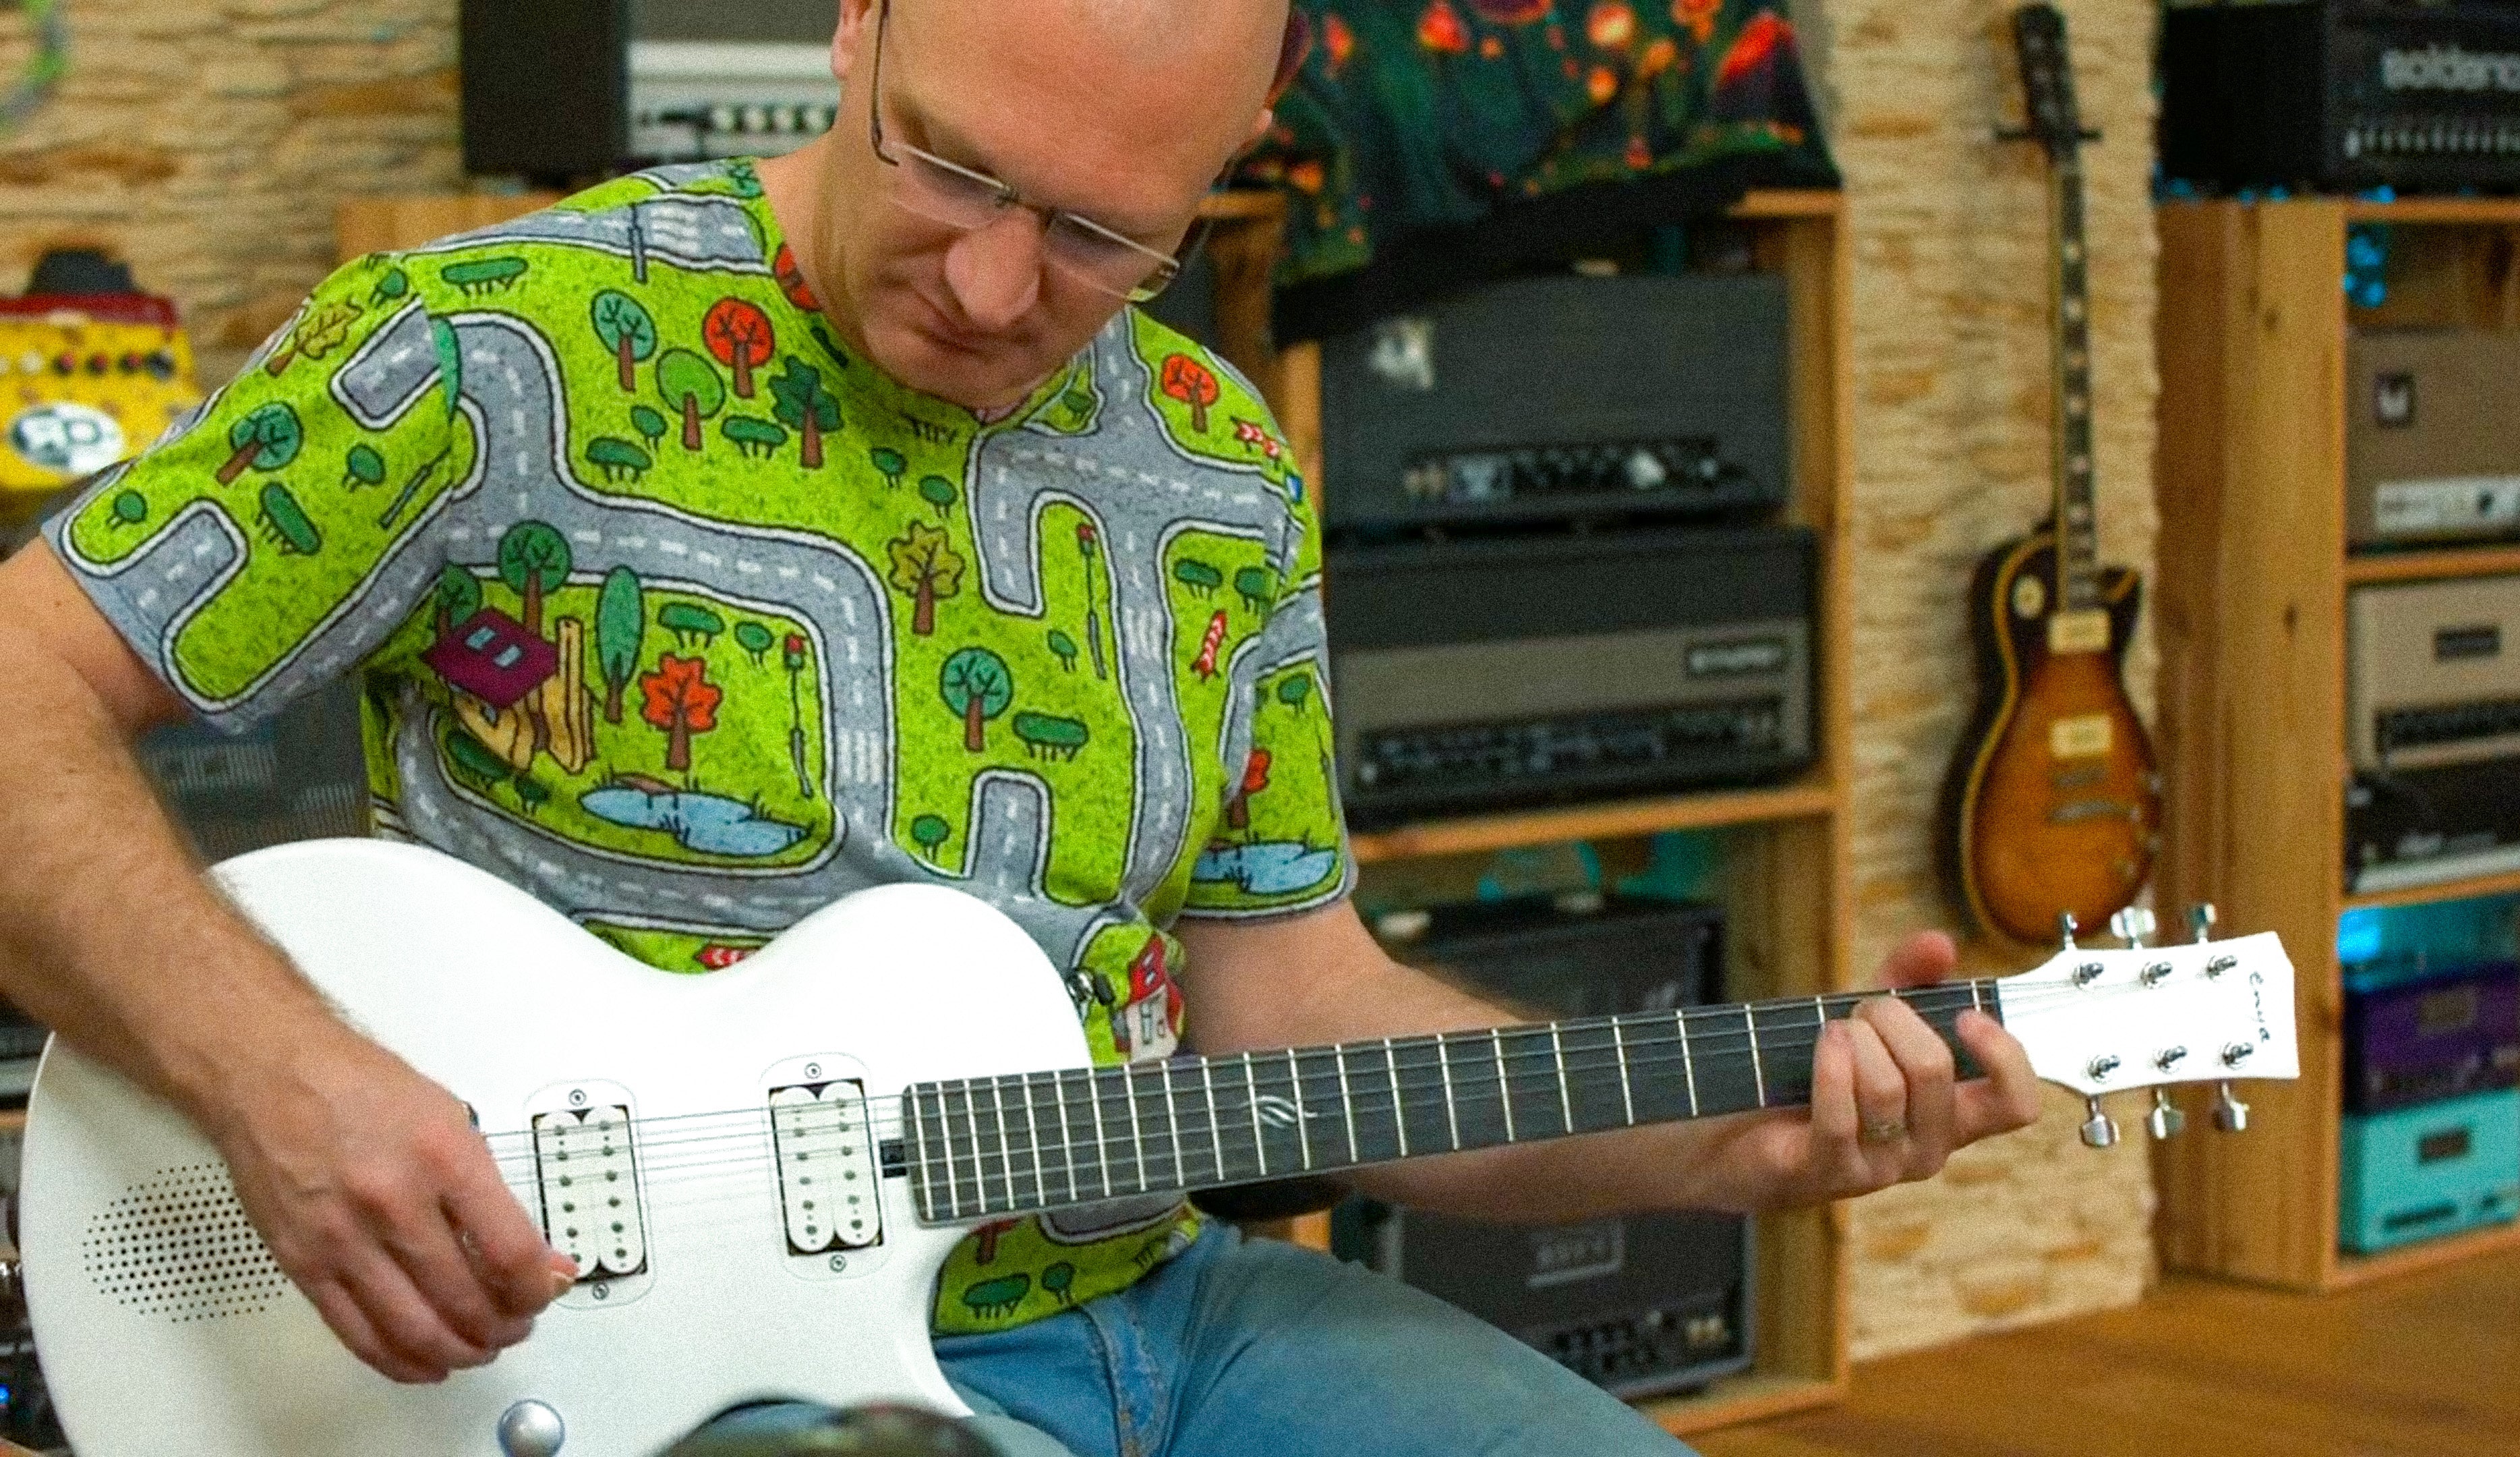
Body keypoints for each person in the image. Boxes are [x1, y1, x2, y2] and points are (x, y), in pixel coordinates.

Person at [0, 0, 2043, 1453]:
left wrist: (1728, 1141)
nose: (991, 283)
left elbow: (1298, 1022)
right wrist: (284, 1084)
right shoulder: (492, 352)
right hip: (647, 1370)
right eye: (950, 166)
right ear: (856, 26)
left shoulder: (1219, 468)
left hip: (1162, 1319)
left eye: (1096, 235)